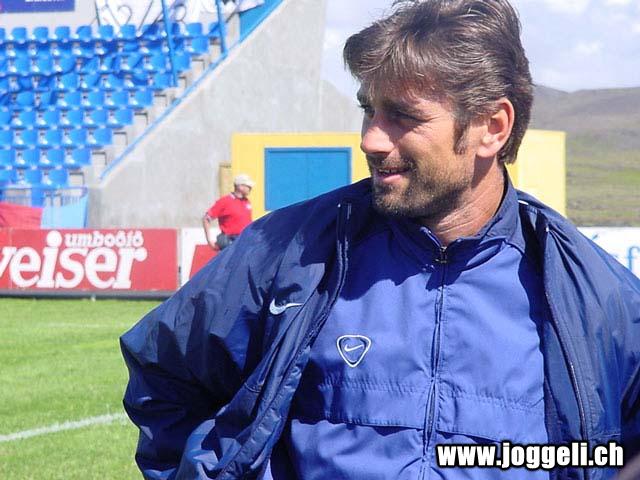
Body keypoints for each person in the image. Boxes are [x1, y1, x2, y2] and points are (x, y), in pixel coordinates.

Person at [120, 1, 640, 479]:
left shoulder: (597, 298)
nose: (370, 138)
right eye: (369, 109)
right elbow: (164, 377)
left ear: (492, 126)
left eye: (404, 117)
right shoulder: (285, 252)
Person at [202, 173, 254, 250]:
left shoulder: (247, 201)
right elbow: (206, 219)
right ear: (240, 186)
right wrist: (209, 241)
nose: (250, 188)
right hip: (231, 243)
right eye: (248, 186)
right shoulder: (224, 201)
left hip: (245, 241)